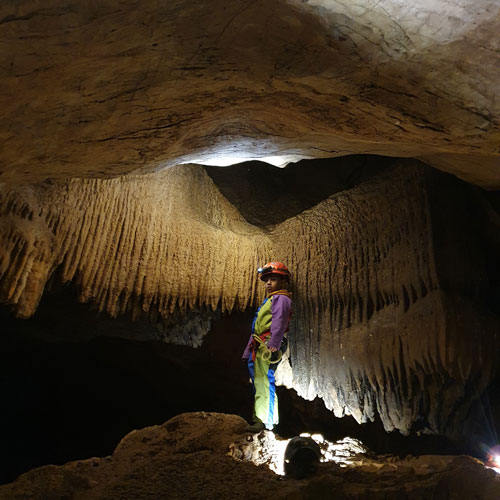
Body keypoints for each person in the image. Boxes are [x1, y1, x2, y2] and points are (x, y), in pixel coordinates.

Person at [242, 261, 293, 432]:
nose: (269, 283)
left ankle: (266, 421)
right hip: (259, 344)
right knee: (259, 381)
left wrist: (274, 343)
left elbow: (280, 320)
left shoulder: (282, 298)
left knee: (264, 380)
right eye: (267, 280)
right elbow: (257, 327)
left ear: (283, 281)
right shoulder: (271, 299)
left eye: (273, 279)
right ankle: (259, 417)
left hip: (268, 344)